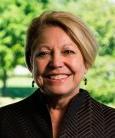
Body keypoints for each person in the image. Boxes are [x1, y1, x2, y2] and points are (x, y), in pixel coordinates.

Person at [0, 11, 115, 138]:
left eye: (68, 51)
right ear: (30, 63)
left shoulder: (111, 125)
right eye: (44, 53)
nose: (56, 63)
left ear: (86, 61)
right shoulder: (4, 121)